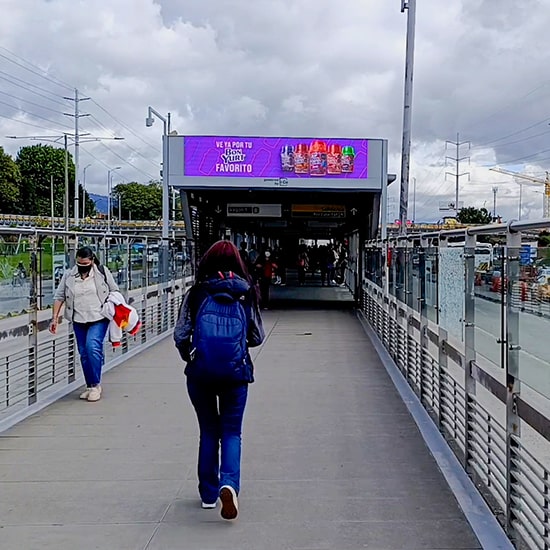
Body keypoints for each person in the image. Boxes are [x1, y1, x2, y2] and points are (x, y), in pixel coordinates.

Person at [174, 240, 264, 520]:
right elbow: (256, 336)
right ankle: (230, 483)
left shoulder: (198, 292)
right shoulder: (246, 293)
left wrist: (190, 356)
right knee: (232, 432)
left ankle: (208, 494)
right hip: (235, 374)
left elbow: (180, 334)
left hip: (200, 373)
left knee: (208, 431)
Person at [49, 247, 119, 402]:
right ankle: (90, 385)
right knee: (84, 353)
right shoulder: (69, 275)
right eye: (79, 263)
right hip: (78, 319)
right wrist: (54, 318)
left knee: (92, 346)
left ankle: (95, 385)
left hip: (99, 317)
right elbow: (59, 296)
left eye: (85, 263)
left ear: (92, 261)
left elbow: (115, 291)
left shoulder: (102, 272)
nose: (82, 266)